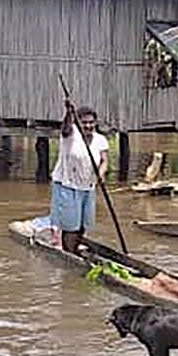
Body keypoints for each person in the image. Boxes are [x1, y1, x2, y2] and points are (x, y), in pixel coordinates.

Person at [51, 100, 108, 253]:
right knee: (71, 225)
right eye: (84, 123)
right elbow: (65, 128)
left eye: (91, 123)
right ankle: (69, 253)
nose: (88, 126)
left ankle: (74, 248)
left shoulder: (100, 139)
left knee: (84, 224)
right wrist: (69, 112)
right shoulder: (70, 135)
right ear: (78, 123)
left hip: (88, 186)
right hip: (67, 185)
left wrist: (101, 174)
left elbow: (104, 161)